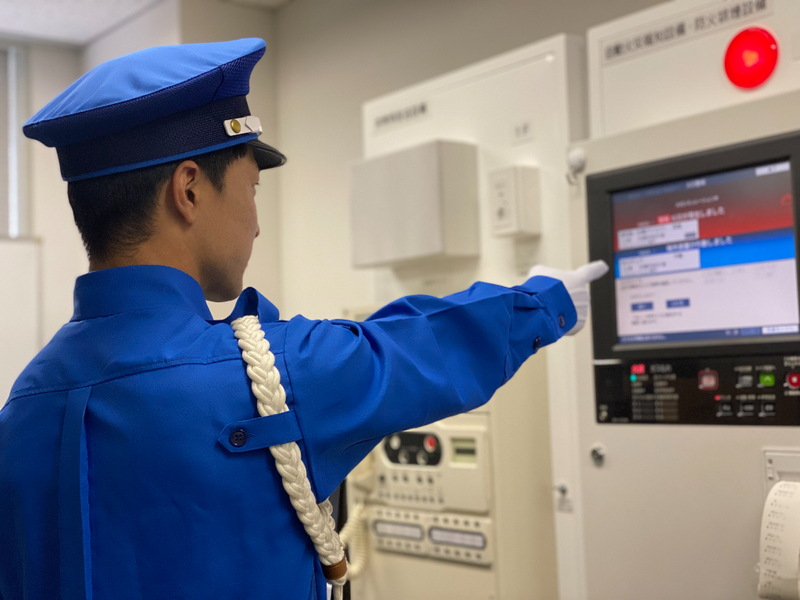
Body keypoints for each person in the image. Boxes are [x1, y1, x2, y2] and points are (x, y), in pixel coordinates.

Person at [0, 38, 608, 600]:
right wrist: (548, 300)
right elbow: (422, 346)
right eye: (252, 190)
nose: (256, 225)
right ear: (189, 191)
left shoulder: (23, 408)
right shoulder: (269, 376)